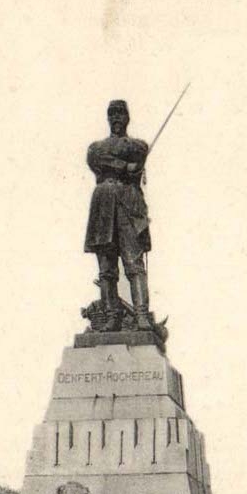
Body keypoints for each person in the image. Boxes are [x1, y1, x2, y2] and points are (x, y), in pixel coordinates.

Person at [84, 100, 151, 331]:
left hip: (128, 206)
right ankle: (112, 316)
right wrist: (124, 166)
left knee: (134, 263)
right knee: (106, 268)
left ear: (127, 118)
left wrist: (114, 163)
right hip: (103, 207)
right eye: (112, 114)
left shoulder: (137, 145)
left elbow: (138, 151)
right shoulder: (96, 147)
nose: (116, 118)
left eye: (120, 114)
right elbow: (95, 158)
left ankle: (141, 315)